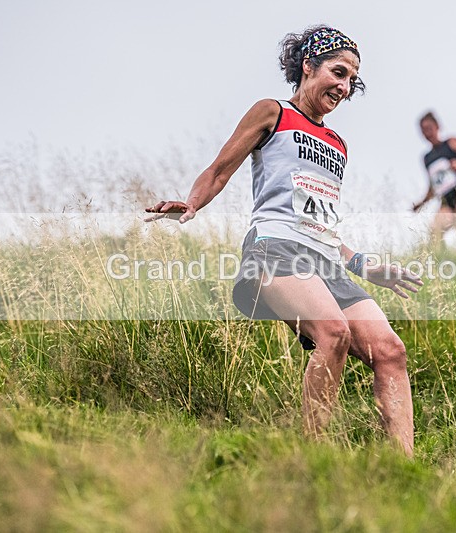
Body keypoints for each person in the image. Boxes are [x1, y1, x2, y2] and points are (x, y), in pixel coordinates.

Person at [146, 26, 423, 456]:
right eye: (337, 72)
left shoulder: (337, 144)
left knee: (390, 350)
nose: (344, 86)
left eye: (351, 79)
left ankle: (406, 468)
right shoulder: (272, 112)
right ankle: (313, 459)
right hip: (274, 249)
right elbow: (221, 168)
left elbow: (321, 224)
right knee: (334, 333)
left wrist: (364, 264)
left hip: (325, 261)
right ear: (308, 66)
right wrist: (193, 202)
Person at [412, 111, 456, 245]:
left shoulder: (452, 143)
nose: (427, 133)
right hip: (446, 202)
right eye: (423, 131)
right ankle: (442, 262)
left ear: (437, 127)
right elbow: (433, 186)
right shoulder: (427, 158)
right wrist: (421, 203)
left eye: (429, 129)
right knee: (434, 232)